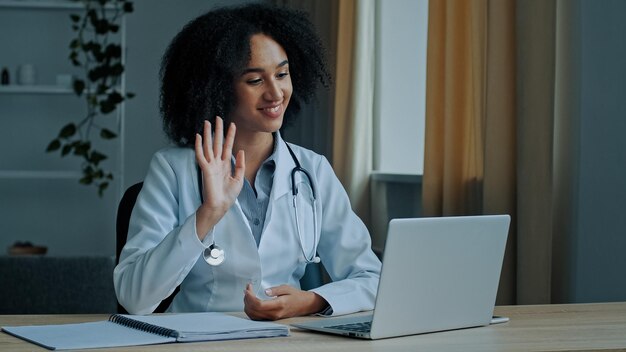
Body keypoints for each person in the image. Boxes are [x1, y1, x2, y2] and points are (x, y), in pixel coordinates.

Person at [114, 3, 381, 320]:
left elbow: (373, 280)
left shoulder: (312, 170)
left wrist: (309, 301)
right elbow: (134, 298)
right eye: (255, 81)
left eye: (282, 74)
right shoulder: (173, 170)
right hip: (199, 341)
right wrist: (208, 213)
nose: (275, 93)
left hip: (287, 340)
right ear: (216, 89)